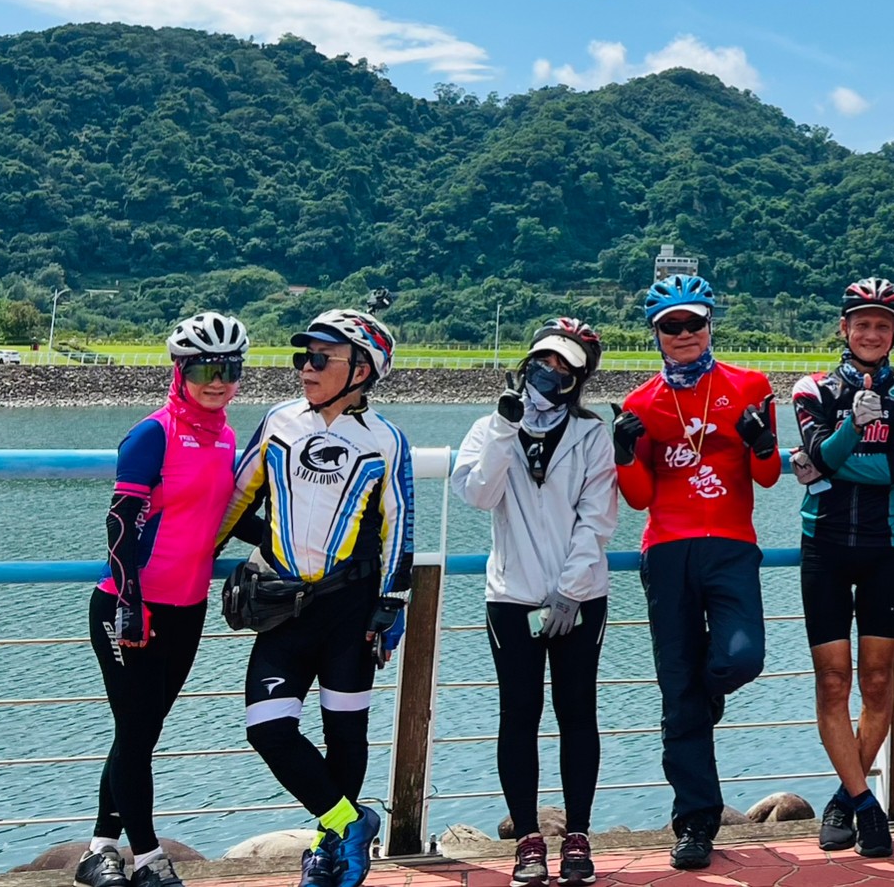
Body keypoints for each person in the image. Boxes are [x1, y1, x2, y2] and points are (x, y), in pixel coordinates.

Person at [222, 308, 412, 887]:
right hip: (284, 605)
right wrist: (170, 564)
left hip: (351, 610)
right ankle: (350, 822)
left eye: (320, 358)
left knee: (345, 735)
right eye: (302, 356)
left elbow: (398, 527)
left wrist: (392, 604)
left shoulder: (385, 440)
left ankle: (327, 851)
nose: (305, 367)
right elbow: (234, 501)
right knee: (267, 729)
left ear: (361, 369)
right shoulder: (280, 421)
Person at [615, 273, 782, 871]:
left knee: (741, 658)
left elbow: (766, 478)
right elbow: (637, 498)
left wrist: (763, 445)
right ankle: (695, 822)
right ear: (656, 334)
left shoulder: (750, 385)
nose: (683, 334)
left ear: (710, 322)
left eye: (693, 322)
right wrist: (622, 453)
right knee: (677, 698)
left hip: (732, 545)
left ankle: (706, 692)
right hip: (667, 549)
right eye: (671, 326)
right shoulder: (641, 403)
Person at [76, 313, 247, 887]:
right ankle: (146, 857)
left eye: (228, 368)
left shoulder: (225, 436)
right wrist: (131, 602)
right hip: (131, 606)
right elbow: (121, 521)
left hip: (188, 606)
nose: (216, 380)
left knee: (140, 731)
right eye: (203, 368)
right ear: (180, 371)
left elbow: (223, 513)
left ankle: (99, 849)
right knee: (136, 729)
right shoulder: (154, 433)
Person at [451, 319, 617, 886]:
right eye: (543, 364)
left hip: (582, 597)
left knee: (577, 714)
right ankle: (526, 839)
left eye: (565, 371)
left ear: (580, 381)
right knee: (518, 715)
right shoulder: (489, 427)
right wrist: (504, 427)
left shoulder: (593, 435)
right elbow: (478, 494)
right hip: (511, 597)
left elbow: (597, 519)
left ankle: (577, 837)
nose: (550, 376)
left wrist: (570, 589)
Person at [788, 278, 894, 858]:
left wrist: (829, 462)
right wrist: (847, 436)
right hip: (823, 545)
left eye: (883, 325)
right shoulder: (810, 387)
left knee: (876, 683)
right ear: (844, 328)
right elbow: (821, 452)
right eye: (862, 323)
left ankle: (845, 798)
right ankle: (866, 805)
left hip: (882, 547)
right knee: (832, 682)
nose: (872, 333)